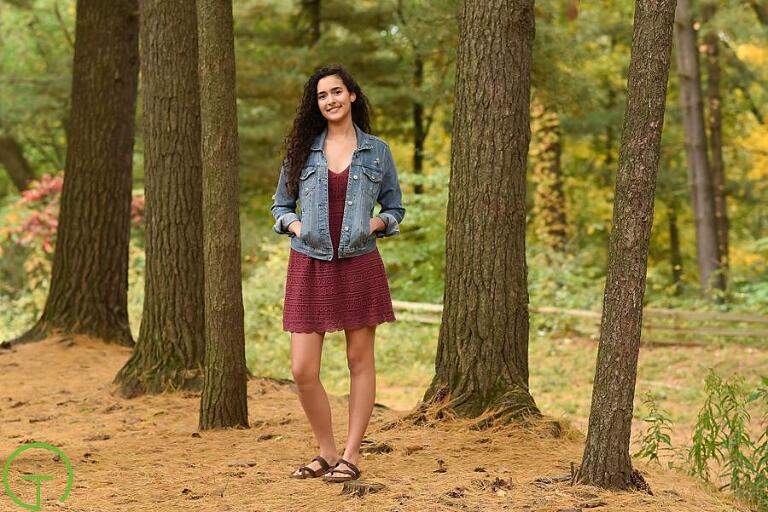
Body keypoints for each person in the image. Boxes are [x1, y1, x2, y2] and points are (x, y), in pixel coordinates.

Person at [270, 65, 405, 483]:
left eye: (336, 92)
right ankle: (326, 452)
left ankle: (350, 455)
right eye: (321, 95)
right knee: (302, 369)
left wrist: (376, 225)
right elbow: (280, 206)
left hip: (359, 263)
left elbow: (394, 208)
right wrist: (297, 227)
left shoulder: (377, 152)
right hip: (308, 264)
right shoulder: (301, 152)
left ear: (352, 97)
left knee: (359, 360)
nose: (329, 100)